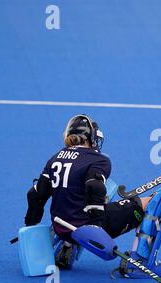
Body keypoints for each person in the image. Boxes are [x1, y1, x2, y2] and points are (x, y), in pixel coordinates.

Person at [23, 114, 151, 269]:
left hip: (61, 228)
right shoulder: (98, 160)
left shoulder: (54, 158)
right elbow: (94, 187)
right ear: (89, 137)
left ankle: (67, 245)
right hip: (87, 231)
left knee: (78, 194)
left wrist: (31, 227)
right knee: (152, 201)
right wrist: (96, 228)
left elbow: (35, 195)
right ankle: (139, 261)